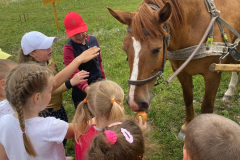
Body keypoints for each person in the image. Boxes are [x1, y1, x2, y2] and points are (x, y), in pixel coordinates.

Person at [0, 48, 99, 160]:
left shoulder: (4, 121)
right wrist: (99, 117)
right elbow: (78, 129)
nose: (51, 92)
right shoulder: (50, 126)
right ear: (37, 98)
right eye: (49, 91)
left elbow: (3, 156)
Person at [18, 31, 88, 146]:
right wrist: (71, 82)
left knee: (61, 139)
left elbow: (56, 78)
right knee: (53, 140)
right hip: (46, 111)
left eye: (49, 45)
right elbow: (51, 88)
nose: (50, 49)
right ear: (32, 53)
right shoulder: (34, 73)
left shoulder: (48, 61)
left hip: (58, 107)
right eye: (44, 47)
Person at [72, 80, 126, 160]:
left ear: (90, 107)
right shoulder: (124, 136)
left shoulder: (81, 131)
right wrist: (138, 133)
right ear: (120, 105)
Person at [63, 11, 106, 108]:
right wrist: (87, 89)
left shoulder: (93, 40)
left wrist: (103, 78)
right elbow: (73, 72)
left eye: (81, 32)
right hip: (82, 90)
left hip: (97, 84)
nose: (79, 36)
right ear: (68, 34)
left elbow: (98, 61)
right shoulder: (68, 49)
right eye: (75, 34)